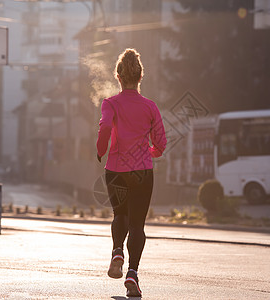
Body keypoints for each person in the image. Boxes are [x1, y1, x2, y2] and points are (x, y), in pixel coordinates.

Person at [96, 48, 167, 297]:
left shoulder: (110, 104)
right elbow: (161, 142)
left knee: (120, 215)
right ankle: (133, 275)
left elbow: (105, 127)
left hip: (115, 170)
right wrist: (149, 152)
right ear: (140, 77)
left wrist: (100, 149)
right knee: (137, 225)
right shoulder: (150, 106)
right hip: (142, 172)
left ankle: (117, 250)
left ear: (118, 76)